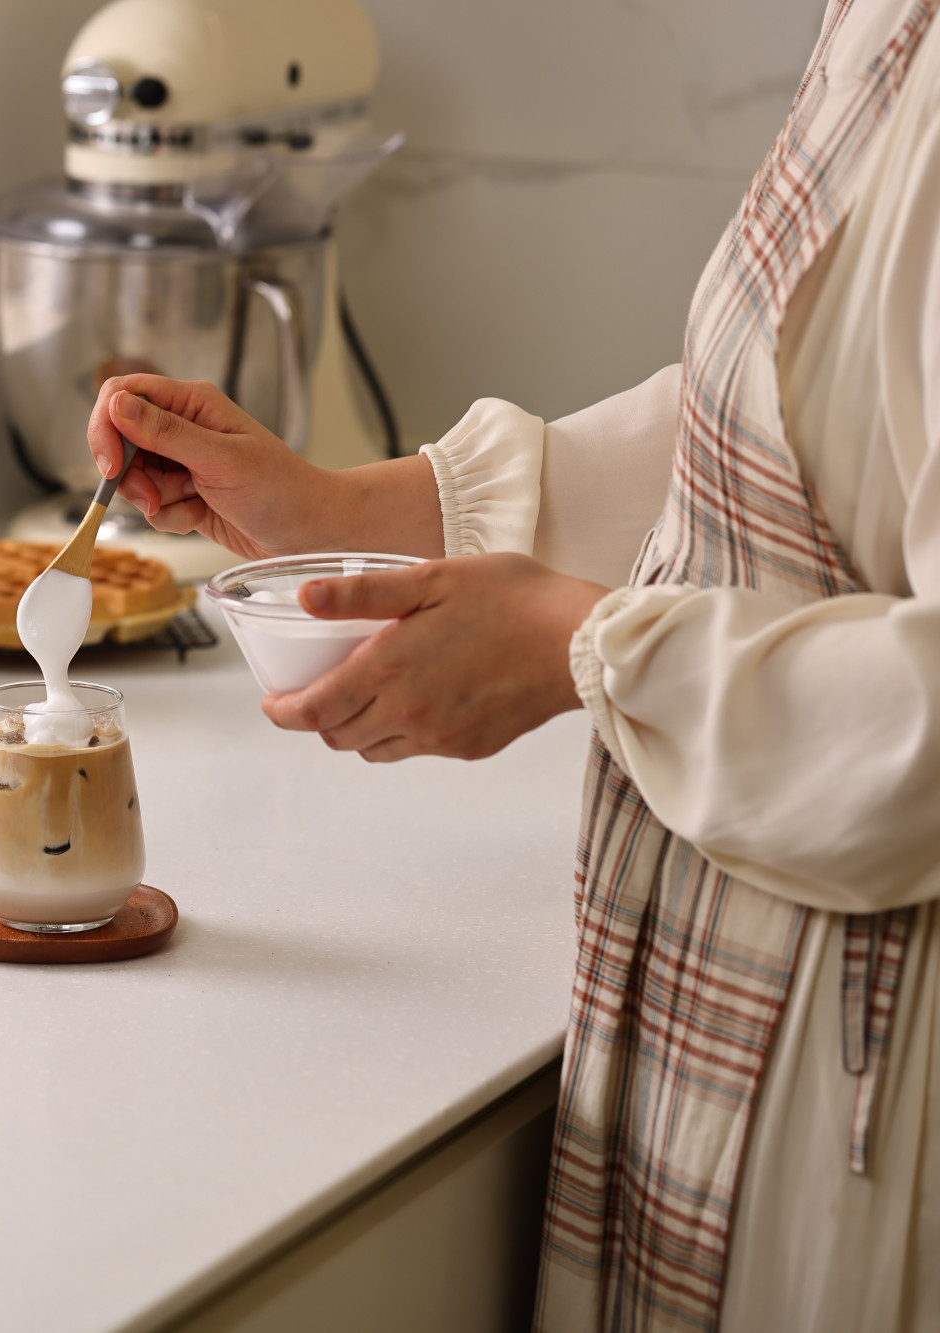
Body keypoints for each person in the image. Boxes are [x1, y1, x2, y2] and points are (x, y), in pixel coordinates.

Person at [83, 2, 940, 1328]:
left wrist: (580, 647)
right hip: (740, 983)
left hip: (872, 1080)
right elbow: (783, 426)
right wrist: (362, 510)